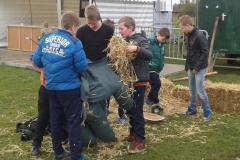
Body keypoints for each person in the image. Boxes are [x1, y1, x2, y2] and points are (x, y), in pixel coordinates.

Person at [32, 11, 88, 160]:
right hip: (69, 89)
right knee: (73, 122)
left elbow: (36, 61)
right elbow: (82, 67)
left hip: (51, 88)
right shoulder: (75, 42)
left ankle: (58, 152)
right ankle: (76, 156)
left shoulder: (46, 39)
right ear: (73, 27)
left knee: (55, 121)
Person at [118, 16, 152, 153]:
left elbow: (149, 55)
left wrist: (136, 48)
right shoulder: (124, 41)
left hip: (139, 80)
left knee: (137, 110)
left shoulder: (140, 40)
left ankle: (141, 141)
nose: (119, 31)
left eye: (121, 29)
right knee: (130, 109)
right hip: (129, 80)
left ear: (130, 28)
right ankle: (133, 133)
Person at [76, 5, 114, 115]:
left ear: (99, 18)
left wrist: (110, 55)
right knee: (87, 89)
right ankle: (87, 111)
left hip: (103, 64)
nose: (91, 26)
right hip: (87, 64)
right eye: (89, 23)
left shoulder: (108, 30)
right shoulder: (82, 31)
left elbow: (111, 47)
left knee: (104, 89)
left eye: (94, 23)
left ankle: (104, 112)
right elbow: (79, 50)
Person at [177, 15, 211, 121]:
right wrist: (187, 66)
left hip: (199, 68)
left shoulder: (199, 36)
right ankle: (192, 109)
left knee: (200, 90)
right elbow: (189, 52)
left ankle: (207, 112)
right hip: (191, 67)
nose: (182, 30)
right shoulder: (188, 35)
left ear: (187, 25)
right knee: (192, 89)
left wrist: (197, 67)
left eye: (182, 28)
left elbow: (205, 53)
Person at [145, 28, 170, 106]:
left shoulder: (163, 45)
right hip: (151, 68)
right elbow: (146, 54)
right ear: (158, 35)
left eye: (165, 40)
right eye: (163, 39)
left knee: (155, 84)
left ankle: (149, 100)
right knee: (157, 83)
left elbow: (162, 56)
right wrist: (149, 64)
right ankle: (155, 101)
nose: (163, 41)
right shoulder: (150, 43)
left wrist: (162, 64)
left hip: (157, 68)